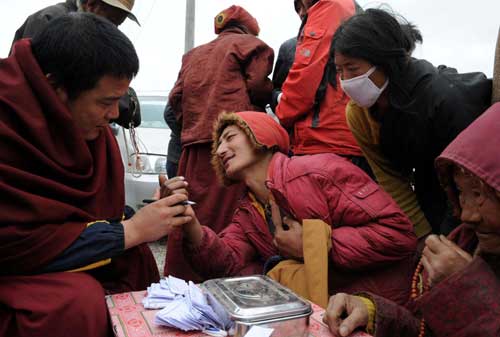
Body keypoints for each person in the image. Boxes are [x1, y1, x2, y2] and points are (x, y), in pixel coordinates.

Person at [0, 13, 193, 337]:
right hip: (13, 271)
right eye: (106, 102)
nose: (115, 114)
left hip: (55, 259)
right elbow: (14, 243)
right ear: (54, 87)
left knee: (138, 260)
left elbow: (90, 214)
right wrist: (129, 230)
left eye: (119, 100)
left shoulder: (91, 132)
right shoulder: (10, 122)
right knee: (78, 304)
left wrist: (141, 216)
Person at [167, 111, 417, 307]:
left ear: (260, 135)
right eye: (218, 144)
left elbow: (399, 234)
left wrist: (312, 244)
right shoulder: (247, 211)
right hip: (318, 312)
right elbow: (227, 265)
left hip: (376, 306)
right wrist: (191, 225)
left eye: (230, 137)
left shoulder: (319, 171)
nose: (220, 150)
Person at [323, 102, 500, 337]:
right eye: (460, 192)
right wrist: (372, 312)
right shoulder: (467, 245)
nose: (468, 215)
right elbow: (426, 330)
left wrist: (464, 288)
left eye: (479, 195)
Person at [332, 8, 491, 238]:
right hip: (430, 185)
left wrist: (450, 240)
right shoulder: (358, 114)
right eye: (340, 70)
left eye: (353, 69)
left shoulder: (444, 100)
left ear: (384, 62)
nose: (346, 80)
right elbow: (391, 180)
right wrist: (423, 238)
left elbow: (472, 183)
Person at [165, 5, 274, 281]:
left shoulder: (192, 56)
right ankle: (224, 286)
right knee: (230, 219)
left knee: (188, 215)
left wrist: (192, 124)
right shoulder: (252, 45)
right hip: (231, 146)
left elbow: (175, 99)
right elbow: (260, 86)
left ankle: (178, 283)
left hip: (191, 150)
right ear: (248, 29)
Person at [274, 0, 362, 159]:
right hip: (352, 138)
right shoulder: (352, 11)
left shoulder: (330, 8)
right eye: (297, 8)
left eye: (302, 5)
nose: (301, 13)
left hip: (326, 141)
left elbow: (304, 82)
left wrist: (281, 111)